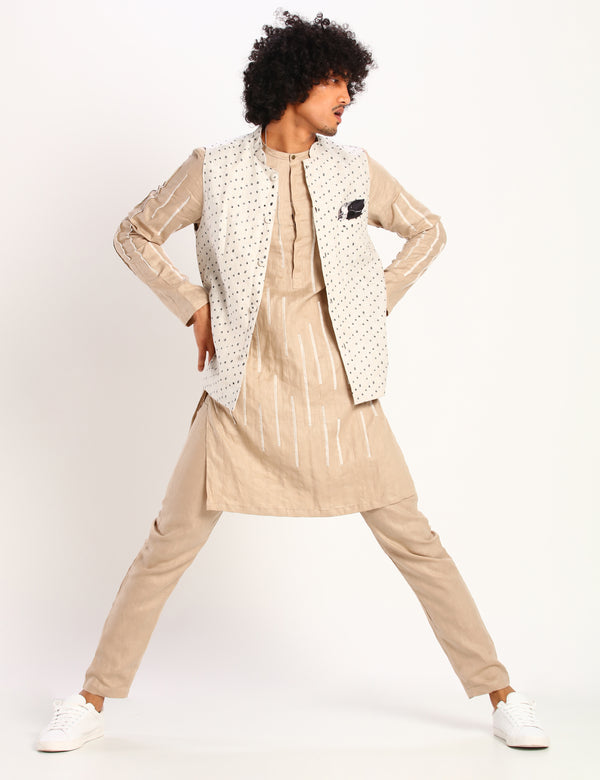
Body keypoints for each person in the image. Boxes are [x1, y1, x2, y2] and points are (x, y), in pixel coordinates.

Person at [36, 10, 549, 753]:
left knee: (417, 544)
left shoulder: (354, 168)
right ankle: (90, 699)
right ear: (290, 83)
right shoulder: (213, 168)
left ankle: (500, 693)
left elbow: (428, 229)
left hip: (343, 393)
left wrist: (376, 298)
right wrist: (192, 305)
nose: (347, 95)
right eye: (333, 81)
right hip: (241, 394)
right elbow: (134, 232)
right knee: (166, 546)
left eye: (349, 82)